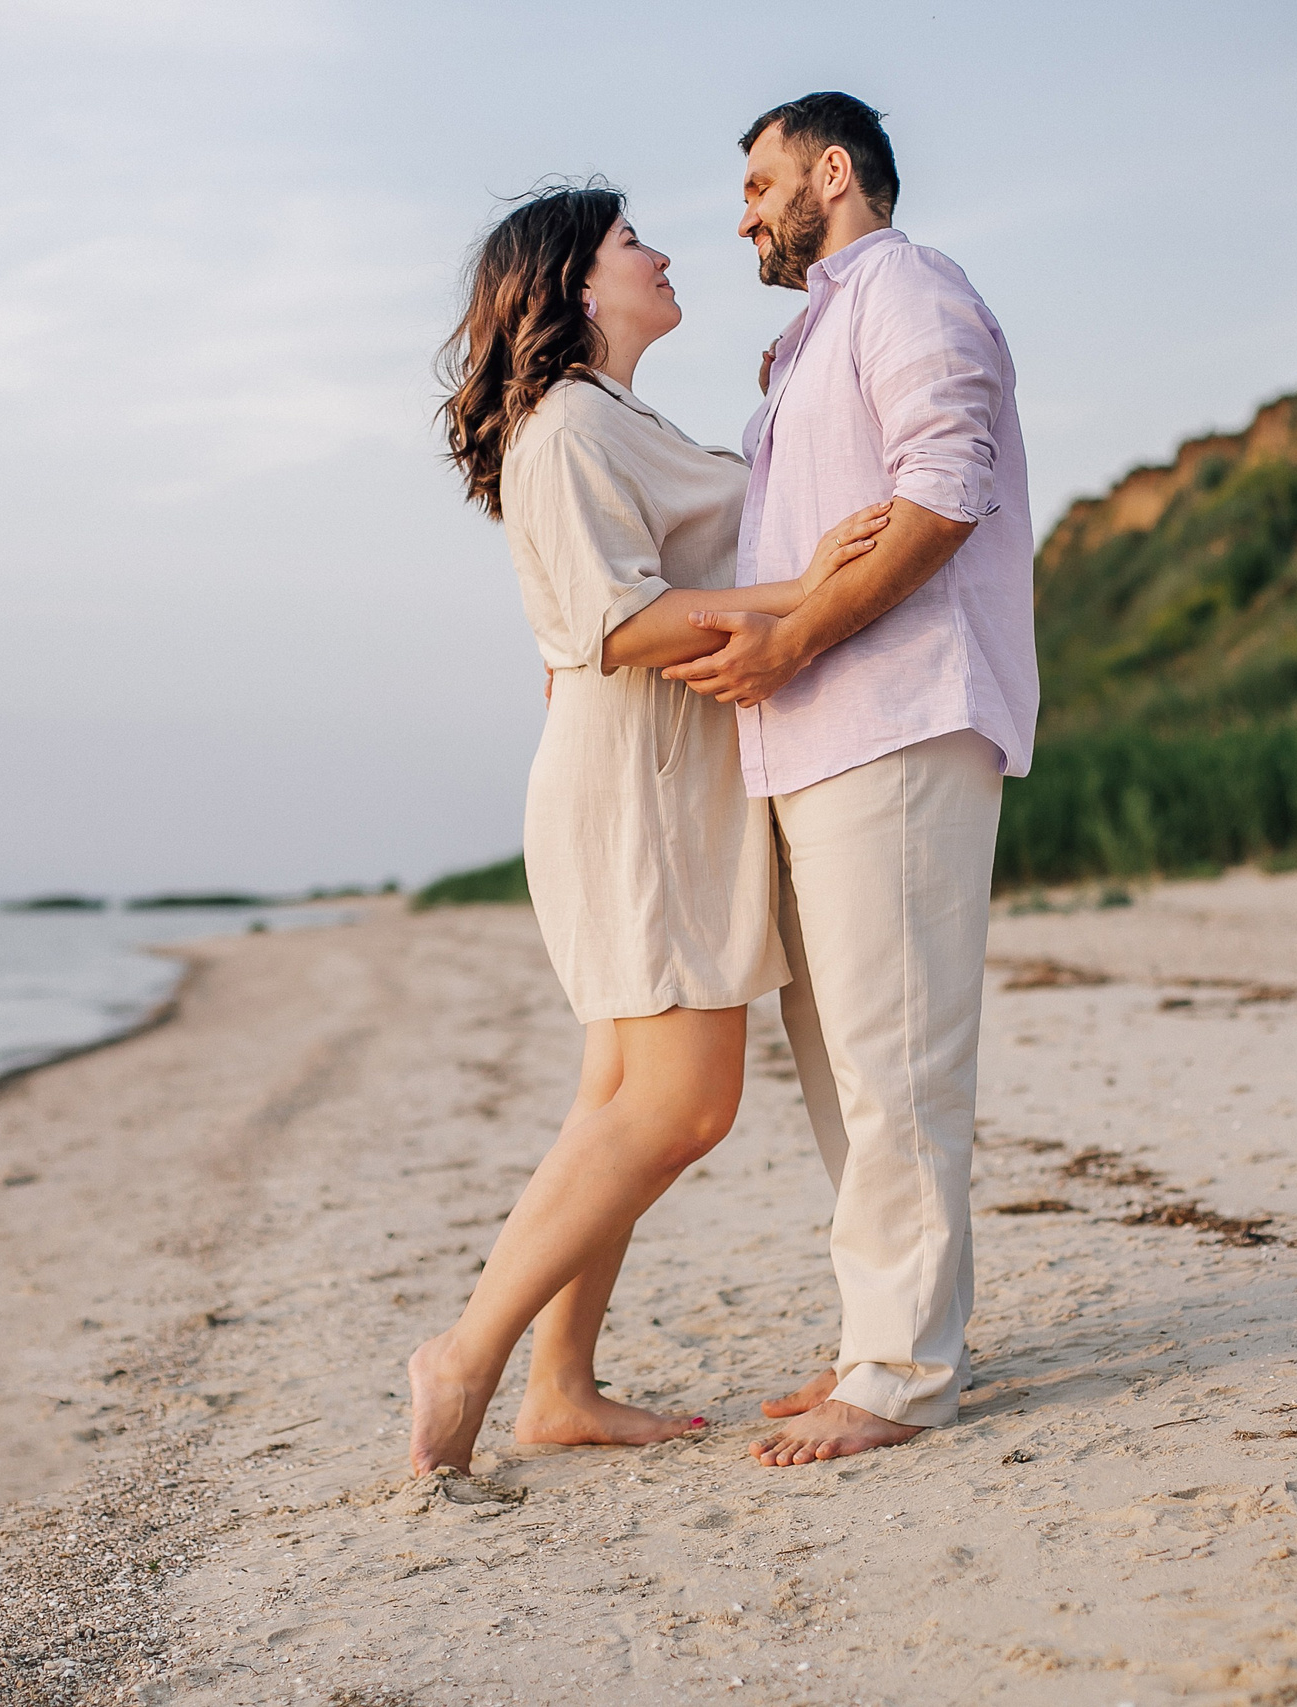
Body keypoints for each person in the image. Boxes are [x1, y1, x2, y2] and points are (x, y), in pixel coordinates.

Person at [408, 182, 894, 1477]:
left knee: (617, 1097)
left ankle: (557, 1382)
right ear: (569, 282)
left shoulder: (614, 418)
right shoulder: (565, 427)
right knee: (681, 1104)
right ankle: (465, 1356)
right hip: (633, 790)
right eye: (633, 242)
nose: (668, 253)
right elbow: (615, 626)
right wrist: (818, 586)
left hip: (660, 778)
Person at [662, 94, 1038, 1466]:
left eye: (760, 181)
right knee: (844, 1069)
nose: (743, 212)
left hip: (896, 716)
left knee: (897, 1064)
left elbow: (950, 484)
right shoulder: (808, 340)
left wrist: (798, 635)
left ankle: (902, 1376)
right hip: (819, 740)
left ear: (835, 172)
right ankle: (888, 1340)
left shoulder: (908, 288)